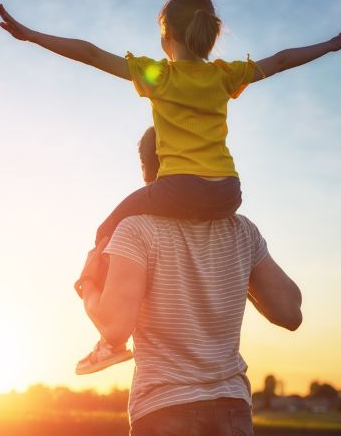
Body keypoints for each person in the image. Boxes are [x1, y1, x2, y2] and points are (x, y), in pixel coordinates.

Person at [0, 0, 341, 371]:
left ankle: (111, 341)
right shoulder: (225, 75)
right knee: (157, 219)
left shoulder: (160, 75)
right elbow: (283, 60)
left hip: (179, 188)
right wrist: (332, 46)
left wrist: (34, 36)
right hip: (227, 192)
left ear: (165, 36)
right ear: (208, 33)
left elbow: (90, 54)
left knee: (108, 228)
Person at [78, 125, 303, 435]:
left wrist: (87, 284)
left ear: (146, 169)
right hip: (232, 409)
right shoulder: (242, 231)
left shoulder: (136, 230)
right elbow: (290, 311)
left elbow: (115, 330)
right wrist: (238, 272)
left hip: (163, 409)